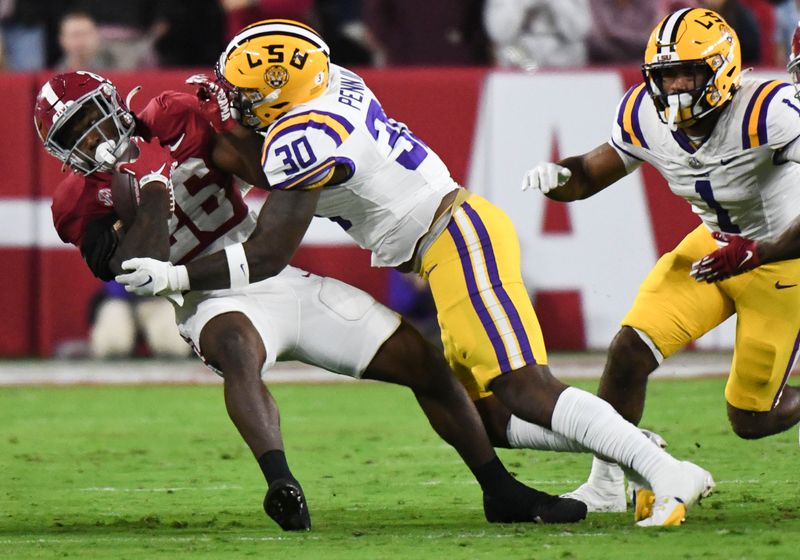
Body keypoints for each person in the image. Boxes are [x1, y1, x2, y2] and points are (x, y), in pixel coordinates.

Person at [117, 19, 714, 527]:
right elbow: (264, 156)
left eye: (244, 93)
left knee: (523, 387)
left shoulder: (305, 137)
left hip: (455, 235)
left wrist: (174, 277)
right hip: (440, 241)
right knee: (487, 416)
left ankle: (667, 472)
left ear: (282, 95)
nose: (232, 101)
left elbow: (269, 251)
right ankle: (626, 459)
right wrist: (215, 127)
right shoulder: (330, 89)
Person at [35, 70, 589, 531]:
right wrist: (151, 190)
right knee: (237, 350)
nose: (92, 134)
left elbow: (265, 172)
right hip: (205, 296)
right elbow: (136, 269)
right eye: (75, 131)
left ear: (110, 100)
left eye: (91, 116)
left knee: (422, 360)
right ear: (61, 149)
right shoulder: (78, 199)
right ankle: (282, 483)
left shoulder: (169, 118)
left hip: (271, 273)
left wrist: (220, 127)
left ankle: (500, 491)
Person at [521, 7, 800, 513]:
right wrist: (561, 177)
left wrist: (762, 250)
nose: (673, 88)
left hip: (782, 262)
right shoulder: (643, 114)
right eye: (664, 75)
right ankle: (605, 483)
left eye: (686, 73)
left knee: (752, 419)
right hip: (714, 249)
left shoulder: (771, 111)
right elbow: (590, 172)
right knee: (628, 351)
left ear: (721, 70)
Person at [483, 0, 591, 70]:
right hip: (519, 50)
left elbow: (580, 31)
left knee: (576, 48)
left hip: (562, 49)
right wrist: (522, 4)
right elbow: (498, 33)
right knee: (507, 50)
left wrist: (557, 3)